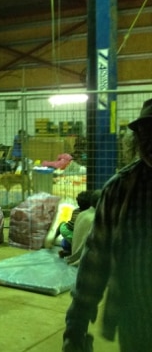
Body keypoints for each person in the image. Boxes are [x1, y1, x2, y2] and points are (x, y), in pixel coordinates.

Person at [63, 98, 152, 352]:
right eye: (146, 133)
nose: (151, 142)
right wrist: (76, 323)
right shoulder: (119, 189)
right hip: (136, 322)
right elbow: (95, 258)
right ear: (136, 141)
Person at [56, 190, 94, 258]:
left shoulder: (75, 211)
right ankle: (71, 252)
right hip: (76, 237)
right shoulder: (89, 214)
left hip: (66, 232)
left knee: (62, 224)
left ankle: (53, 240)